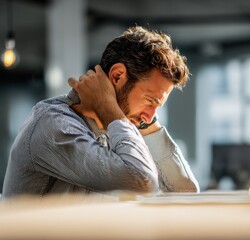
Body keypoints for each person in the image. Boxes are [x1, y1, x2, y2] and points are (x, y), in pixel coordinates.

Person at [2, 26, 199, 198]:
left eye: (158, 107)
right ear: (117, 76)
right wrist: (109, 108)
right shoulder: (52, 125)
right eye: (150, 101)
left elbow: (186, 195)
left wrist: (145, 122)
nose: (149, 116)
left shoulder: (115, 130)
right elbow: (143, 183)